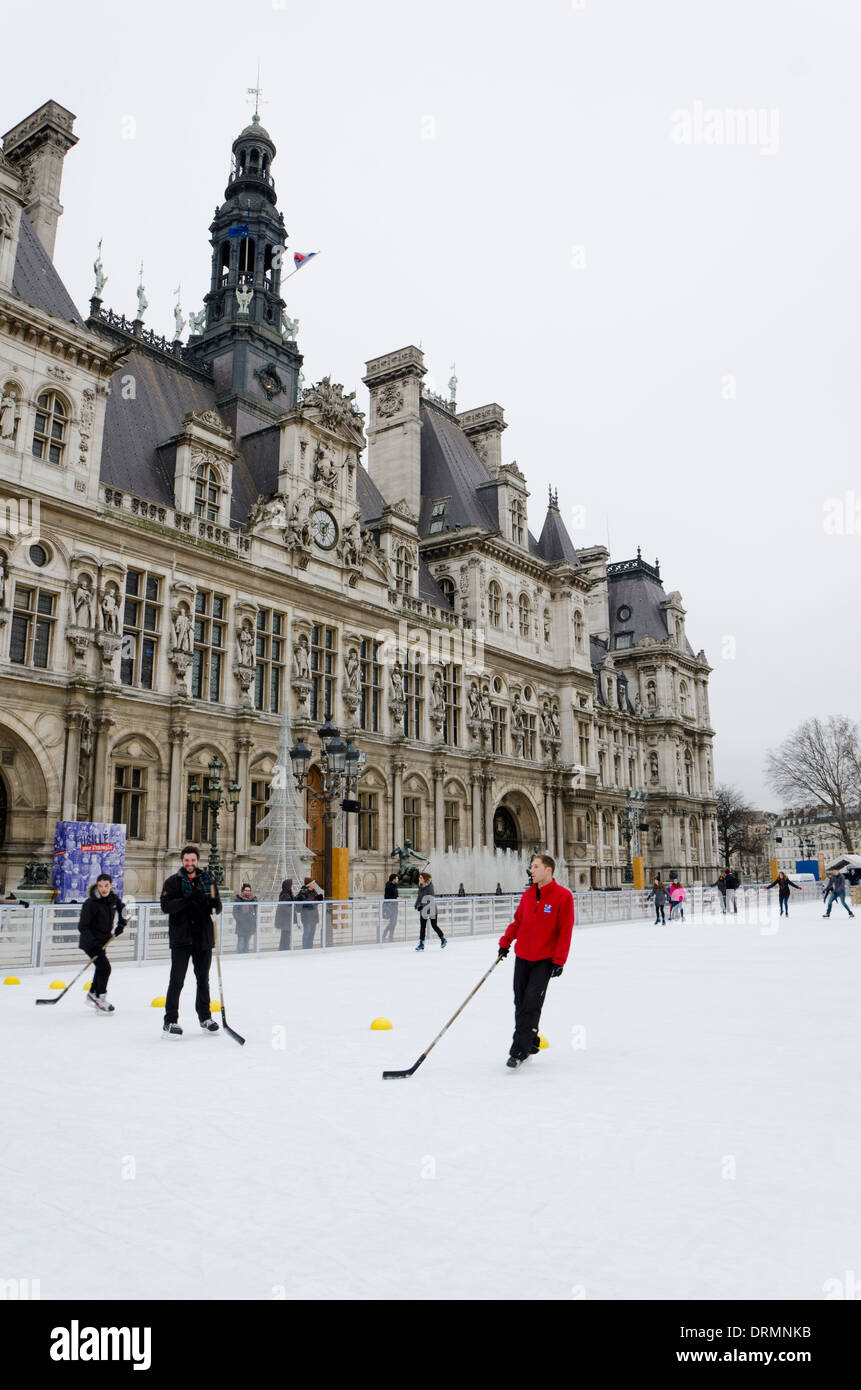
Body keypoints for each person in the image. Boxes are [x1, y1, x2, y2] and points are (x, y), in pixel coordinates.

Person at [497, 853, 573, 1069]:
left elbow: (565, 931)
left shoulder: (562, 896)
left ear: (548, 870)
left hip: (544, 959)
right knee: (520, 1002)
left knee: (531, 1003)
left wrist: (559, 960)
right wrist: (505, 942)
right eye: (532, 867)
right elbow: (517, 922)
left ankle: (518, 1050)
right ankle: (531, 1040)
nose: (532, 870)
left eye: (536, 866)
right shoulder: (528, 896)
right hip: (523, 956)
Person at [159, 845, 222, 1037]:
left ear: (197, 861)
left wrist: (214, 905)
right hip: (182, 938)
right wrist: (188, 900)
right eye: (186, 860)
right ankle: (170, 1021)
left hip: (203, 938)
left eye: (193, 860)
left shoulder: (208, 882)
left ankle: (205, 1017)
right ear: (182, 861)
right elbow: (166, 906)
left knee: (203, 979)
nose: (190, 864)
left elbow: (217, 906)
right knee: (177, 980)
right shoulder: (173, 882)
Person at [77, 873, 128, 1013]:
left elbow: (123, 909)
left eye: (106, 886)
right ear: (97, 886)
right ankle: (100, 997)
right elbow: (83, 927)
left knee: (100, 967)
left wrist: (121, 925)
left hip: (103, 941)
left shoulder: (113, 899)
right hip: (90, 943)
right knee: (105, 968)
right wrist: (94, 945)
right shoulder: (91, 903)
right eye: (100, 886)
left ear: (111, 886)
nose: (103, 889)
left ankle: (93, 992)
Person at [414, 871, 446, 950]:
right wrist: (416, 904)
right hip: (423, 909)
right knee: (422, 927)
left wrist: (421, 906)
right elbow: (419, 897)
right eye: (419, 877)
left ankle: (443, 939)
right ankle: (421, 944)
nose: (419, 879)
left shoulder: (430, 887)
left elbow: (430, 899)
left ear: (424, 879)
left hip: (431, 908)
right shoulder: (420, 886)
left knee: (434, 925)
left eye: (421, 878)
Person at [297, 877, 323, 948]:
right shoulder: (303, 892)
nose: (314, 885)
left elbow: (314, 903)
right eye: (313, 883)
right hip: (307, 916)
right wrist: (315, 899)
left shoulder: (314, 892)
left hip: (313, 915)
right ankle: (305, 947)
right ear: (309, 885)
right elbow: (305, 903)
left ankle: (310, 947)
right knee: (307, 932)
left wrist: (318, 899)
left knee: (312, 933)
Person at [233, 883, 258, 953]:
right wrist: (239, 920)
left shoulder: (253, 899)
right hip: (241, 925)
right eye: (246, 890)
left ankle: (245, 958)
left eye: (249, 890)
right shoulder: (238, 899)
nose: (247, 892)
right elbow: (235, 912)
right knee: (240, 943)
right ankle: (239, 958)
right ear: (242, 890)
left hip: (249, 924)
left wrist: (253, 920)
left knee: (247, 943)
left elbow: (256, 911)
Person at [276, 879, 295, 951]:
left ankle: (285, 948)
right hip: (284, 919)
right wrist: (292, 910)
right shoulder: (285, 894)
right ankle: (284, 948)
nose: (292, 886)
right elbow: (285, 907)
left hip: (286, 919)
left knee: (286, 934)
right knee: (285, 935)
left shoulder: (288, 893)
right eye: (291, 885)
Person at [382, 873, 400, 942]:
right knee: (392, 922)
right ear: (393, 879)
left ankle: (390, 935)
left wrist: (397, 898)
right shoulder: (389, 886)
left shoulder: (395, 886)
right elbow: (387, 897)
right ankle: (386, 934)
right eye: (397, 878)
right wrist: (395, 898)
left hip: (395, 906)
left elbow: (395, 895)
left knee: (394, 922)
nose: (398, 879)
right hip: (390, 906)